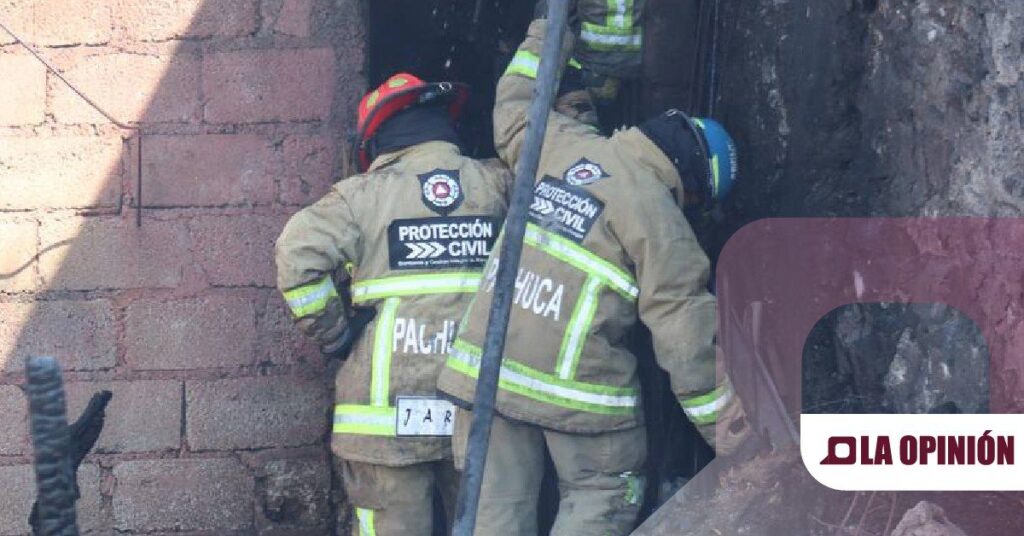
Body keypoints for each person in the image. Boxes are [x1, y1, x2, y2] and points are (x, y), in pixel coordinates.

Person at [436, 13, 746, 536]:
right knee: (604, 496)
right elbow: (687, 342)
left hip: (486, 375)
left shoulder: (559, 145)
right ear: (691, 185)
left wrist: (547, 31)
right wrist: (741, 441)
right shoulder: (662, 219)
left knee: (491, 515)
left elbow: (514, 102)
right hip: (580, 397)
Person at [275, 73, 511, 536]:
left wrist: (336, 333)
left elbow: (297, 256)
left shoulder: (359, 197)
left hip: (383, 424)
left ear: (377, 140)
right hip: (477, 408)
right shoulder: (498, 183)